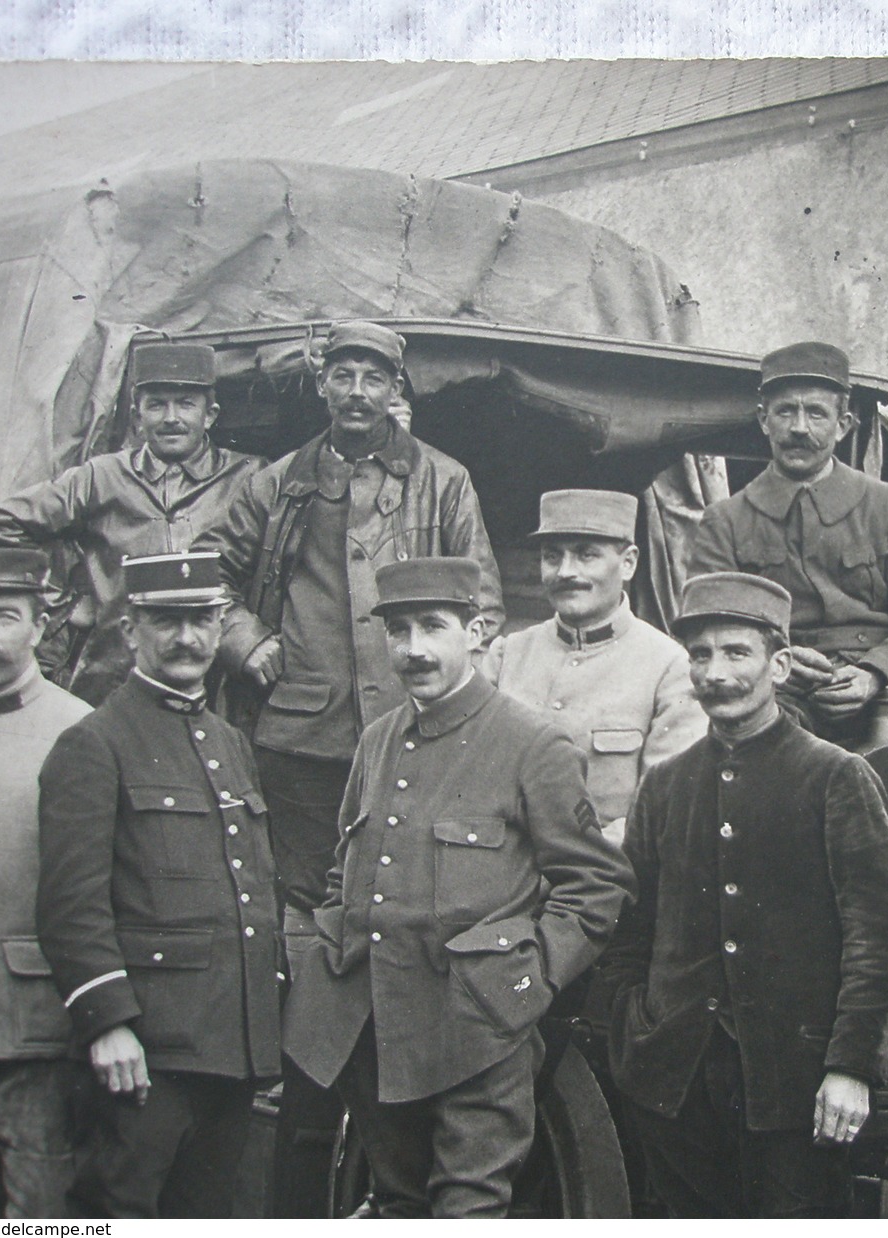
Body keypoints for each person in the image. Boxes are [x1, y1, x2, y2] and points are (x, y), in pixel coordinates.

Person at [194, 320, 502, 1213]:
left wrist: (446, 691)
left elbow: (478, 596)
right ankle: (303, 1104)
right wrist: (248, 644)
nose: (358, 392)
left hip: (408, 733)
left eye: (374, 375)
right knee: (307, 930)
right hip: (299, 740)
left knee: (398, 916)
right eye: (343, 375)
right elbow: (208, 573)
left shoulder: (443, 479)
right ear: (321, 386)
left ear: (396, 387)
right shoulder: (277, 482)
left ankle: (392, 1104)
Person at [283, 557, 633, 1217]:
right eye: (399, 631)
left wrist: (526, 979)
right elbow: (345, 868)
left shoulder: (532, 743)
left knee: (467, 1211)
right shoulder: (378, 740)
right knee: (396, 1206)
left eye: (433, 627)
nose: (413, 649)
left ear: (474, 632)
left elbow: (596, 885)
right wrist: (329, 942)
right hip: (372, 1025)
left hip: (476, 1030)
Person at [592, 571, 888, 1217]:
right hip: (674, 1084)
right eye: (701, 655)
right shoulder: (664, 785)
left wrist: (851, 1068)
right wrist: (635, 1033)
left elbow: (880, 939)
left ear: (780, 663)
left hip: (795, 1087)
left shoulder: (834, 777)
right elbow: (630, 930)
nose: (716, 673)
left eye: (736, 652)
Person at [689, 342, 888, 960]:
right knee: (754, 757)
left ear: (844, 423)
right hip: (780, 680)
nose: (800, 427)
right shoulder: (723, 522)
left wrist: (876, 676)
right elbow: (711, 627)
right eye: (786, 411)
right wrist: (781, 661)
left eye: (817, 413)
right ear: (763, 419)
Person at [35, 551, 279, 1218]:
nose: (187, 638)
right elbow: (69, 907)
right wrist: (108, 1024)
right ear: (129, 633)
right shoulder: (93, 743)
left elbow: (249, 890)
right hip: (143, 1053)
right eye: (166, 621)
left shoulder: (228, 742)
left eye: (201, 619)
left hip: (231, 1048)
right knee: (118, 1214)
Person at [0, 343, 263, 704]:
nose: (171, 417)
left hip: (217, 675)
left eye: (186, 403)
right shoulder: (103, 475)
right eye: (156, 404)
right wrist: (63, 603)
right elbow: (0, 524)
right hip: (117, 673)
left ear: (210, 414)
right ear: (137, 417)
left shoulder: (251, 475)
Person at [0, 551, 90, 1217]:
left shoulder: (78, 730)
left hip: (34, 1021)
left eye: (7, 616)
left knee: (38, 1211)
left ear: (40, 625)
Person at [489, 489, 705, 845]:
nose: (566, 572)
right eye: (551, 556)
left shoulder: (670, 668)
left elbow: (663, 808)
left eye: (587, 555)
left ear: (629, 563)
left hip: (607, 877)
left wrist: (581, 863)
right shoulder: (507, 654)